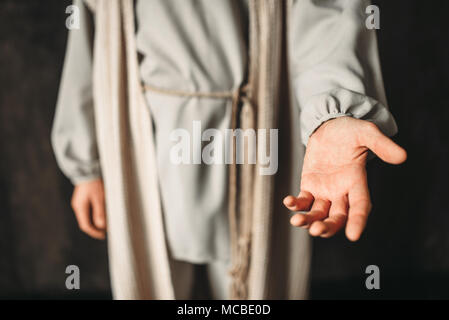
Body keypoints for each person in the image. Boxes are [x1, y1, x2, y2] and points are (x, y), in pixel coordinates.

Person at [52, 0, 406, 299]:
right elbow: (88, 27)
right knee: (151, 271)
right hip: (148, 133)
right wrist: (87, 165)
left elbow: (323, 13)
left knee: (255, 279)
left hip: (258, 127)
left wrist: (332, 112)